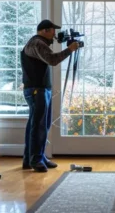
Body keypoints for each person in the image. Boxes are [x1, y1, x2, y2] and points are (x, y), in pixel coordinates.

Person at [22, 19, 79, 172]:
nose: (55, 34)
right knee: (39, 125)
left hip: (40, 89)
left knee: (39, 124)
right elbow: (52, 60)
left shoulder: (38, 44)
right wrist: (70, 50)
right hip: (37, 90)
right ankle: (35, 160)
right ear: (45, 30)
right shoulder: (37, 44)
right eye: (53, 30)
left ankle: (33, 157)